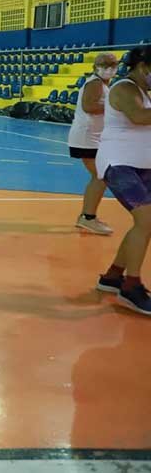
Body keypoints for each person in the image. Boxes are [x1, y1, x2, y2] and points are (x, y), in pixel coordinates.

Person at [94, 45, 151, 316]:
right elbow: (140, 117)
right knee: (146, 219)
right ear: (143, 68)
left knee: (145, 222)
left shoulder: (143, 90)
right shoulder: (124, 88)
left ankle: (113, 276)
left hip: (142, 166)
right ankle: (131, 286)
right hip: (119, 165)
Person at [67, 52, 119, 236]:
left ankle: (87, 217)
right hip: (87, 137)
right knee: (101, 175)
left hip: (94, 137)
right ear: (96, 66)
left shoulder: (104, 84)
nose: (109, 67)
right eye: (105, 64)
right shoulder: (95, 83)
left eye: (113, 64)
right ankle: (88, 218)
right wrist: (117, 107)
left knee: (100, 175)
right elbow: (89, 106)